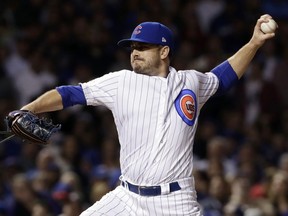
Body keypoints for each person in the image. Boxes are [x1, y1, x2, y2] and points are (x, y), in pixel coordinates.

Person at [20, 14, 276, 215]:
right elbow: (70, 94)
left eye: (143, 47)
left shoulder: (190, 82)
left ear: (164, 51)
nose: (135, 51)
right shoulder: (120, 82)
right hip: (127, 198)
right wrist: (29, 109)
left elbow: (223, 79)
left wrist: (254, 43)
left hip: (175, 202)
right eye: (133, 46)